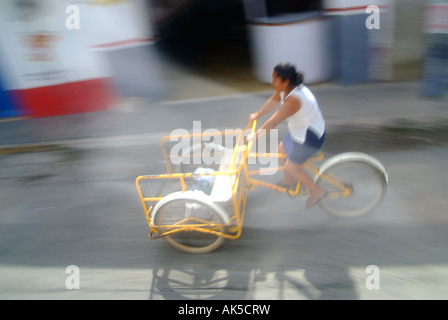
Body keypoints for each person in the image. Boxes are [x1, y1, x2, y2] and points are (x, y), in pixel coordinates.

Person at [247, 62, 326, 207]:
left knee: (291, 167)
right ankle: (290, 180)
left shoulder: (294, 99)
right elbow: (274, 101)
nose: (272, 82)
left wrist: (254, 136)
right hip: (299, 131)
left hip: (310, 136)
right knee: (281, 151)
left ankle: (317, 192)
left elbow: (273, 121)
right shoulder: (285, 88)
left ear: (286, 81)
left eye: (275, 79)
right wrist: (257, 115)